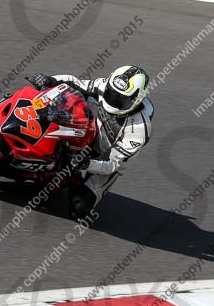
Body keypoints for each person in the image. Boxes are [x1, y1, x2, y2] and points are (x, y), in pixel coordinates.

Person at [29, 65, 153, 220]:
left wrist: (86, 164)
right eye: (111, 93)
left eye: (121, 99)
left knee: (79, 209)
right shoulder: (103, 85)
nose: (113, 100)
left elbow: (112, 164)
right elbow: (76, 84)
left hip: (105, 159)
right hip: (87, 132)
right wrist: (51, 79)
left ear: (136, 99)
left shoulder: (139, 130)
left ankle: (73, 179)